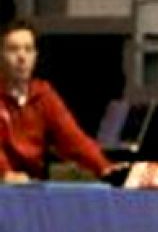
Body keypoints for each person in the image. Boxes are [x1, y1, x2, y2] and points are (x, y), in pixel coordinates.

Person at [0, 19, 112, 181]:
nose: (22, 57)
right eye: (13, 50)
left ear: (35, 56)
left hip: (31, 186)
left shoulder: (44, 94)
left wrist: (105, 167)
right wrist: (5, 173)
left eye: (28, 50)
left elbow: (75, 140)